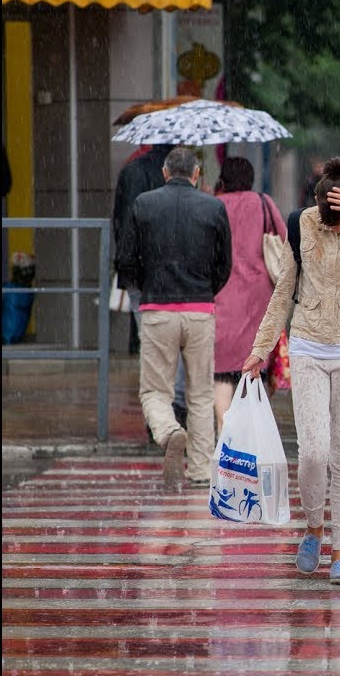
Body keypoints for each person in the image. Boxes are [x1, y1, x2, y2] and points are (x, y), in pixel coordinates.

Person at [242, 157, 340, 585]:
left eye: (339, 224)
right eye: (328, 224)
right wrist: (261, 348)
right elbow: (285, 290)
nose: (332, 230)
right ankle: (313, 528)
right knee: (313, 452)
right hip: (309, 346)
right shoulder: (301, 225)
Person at [116, 146, 233, 488]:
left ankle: (168, 431)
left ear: (165, 173)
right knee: (200, 395)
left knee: (155, 390)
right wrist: (205, 289)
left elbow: (125, 259)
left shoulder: (144, 204)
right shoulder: (214, 207)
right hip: (199, 311)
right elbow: (225, 264)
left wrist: (147, 285)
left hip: (157, 310)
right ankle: (199, 471)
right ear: (197, 175)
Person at [113, 142, 189, 430]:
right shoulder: (182, 179)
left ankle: (158, 417)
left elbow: (121, 224)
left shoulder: (132, 171)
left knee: (151, 346)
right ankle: (176, 409)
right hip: (177, 276)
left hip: (141, 276)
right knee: (179, 346)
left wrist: (125, 268)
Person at [211, 156, 287, 432]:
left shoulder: (215, 205)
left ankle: (224, 429)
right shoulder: (264, 203)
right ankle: (251, 432)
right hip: (258, 297)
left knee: (221, 371)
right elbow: (284, 240)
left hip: (222, 293)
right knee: (255, 365)